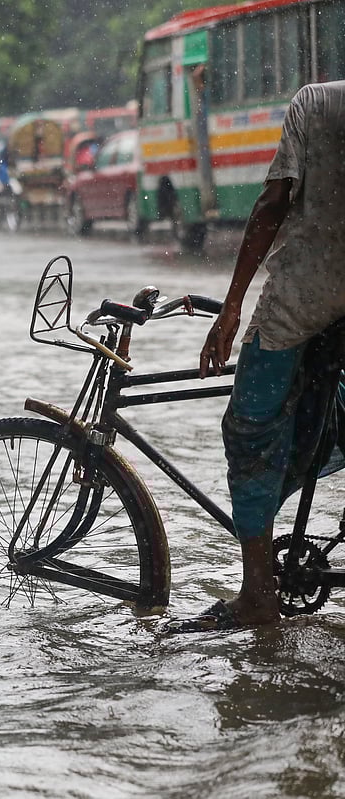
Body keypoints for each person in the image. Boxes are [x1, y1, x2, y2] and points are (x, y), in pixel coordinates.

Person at [180, 81, 345, 632]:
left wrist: (230, 309)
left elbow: (274, 202)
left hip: (304, 297)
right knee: (326, 410)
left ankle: (257, 594)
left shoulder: (315, 104)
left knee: (248, 430)